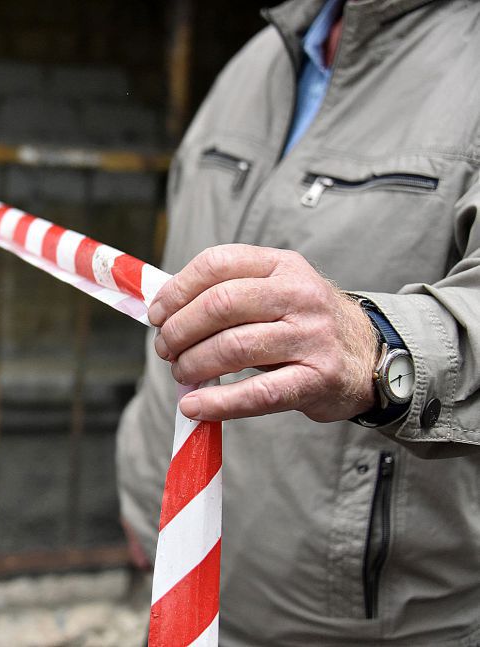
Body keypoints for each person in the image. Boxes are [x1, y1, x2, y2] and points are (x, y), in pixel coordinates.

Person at [117, 0, 480, 643]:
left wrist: (376, 348)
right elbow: (173, 300)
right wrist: (145, 490)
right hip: (182, 587)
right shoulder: (261, 59)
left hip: (378, 625)